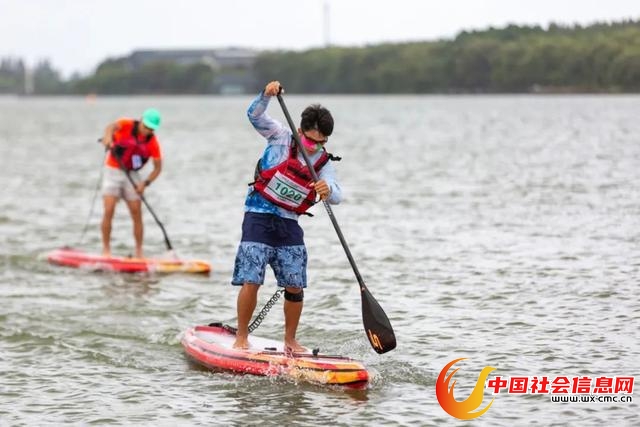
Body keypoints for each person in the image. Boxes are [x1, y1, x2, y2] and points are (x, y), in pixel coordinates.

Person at [232, 80, 342, 351]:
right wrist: (266, 95)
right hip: (258, 214)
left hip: (288, 222)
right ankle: (241, 337)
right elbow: (254, 115)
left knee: (295, 284)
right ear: (301, 131)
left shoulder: (323, 162)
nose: (315, 146)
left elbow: (337, 194)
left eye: (322, 142)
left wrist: (327, 190)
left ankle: (290, 341)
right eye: (311, 140)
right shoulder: (280, 135)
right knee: (252, 279)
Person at [100, 108, 162, 258]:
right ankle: (106, 250)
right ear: (141, 120)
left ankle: (139, 252)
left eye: (151, 129)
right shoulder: (125, 124)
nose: (147, 131)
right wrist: (107, 138)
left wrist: (145, 183)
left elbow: (158, 168)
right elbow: (110, 127)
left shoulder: (152, 143)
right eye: (146, 126)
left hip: (132, 175)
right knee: (109, 210)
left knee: (136, 212)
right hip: (113, 170)